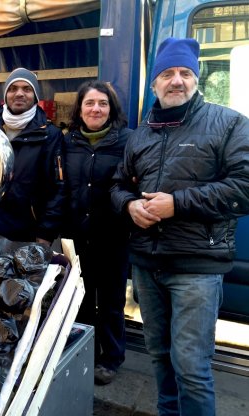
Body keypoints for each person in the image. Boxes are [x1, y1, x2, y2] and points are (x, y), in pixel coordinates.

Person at [111, 37, 249, 415]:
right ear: (154, 84)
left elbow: (245, 188)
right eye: (167, 73)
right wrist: (129, 205)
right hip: (146, 264)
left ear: (196, 78)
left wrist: (178, 204)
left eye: (185, 73)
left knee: (191, 367)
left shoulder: (229, 123)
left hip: (196, 268)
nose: (177, 80)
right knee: (160, 357)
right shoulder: (141, 134)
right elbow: (119, 184)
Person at [61, 80, 131, 385]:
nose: (96, 109)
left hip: (113, 236)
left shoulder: (128, 141)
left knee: (112, 301)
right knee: (82, 298)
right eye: (89, 103)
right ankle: (85, 352)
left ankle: (111, 358)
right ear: (80, 108)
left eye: (102, 103)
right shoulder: (68, 141)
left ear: (111, 109)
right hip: (77, 236)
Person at [0, 68, 65, 245]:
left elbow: (59, 188)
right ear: (5, 95)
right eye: (13, 88)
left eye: (27, 89)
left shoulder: (50, 135)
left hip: (28, 231)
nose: (19, 93)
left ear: (35, 96)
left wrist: (46, 232)